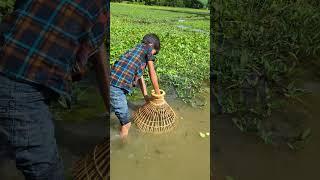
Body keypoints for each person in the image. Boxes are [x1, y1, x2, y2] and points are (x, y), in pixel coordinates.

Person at [0, 0, 109, 179]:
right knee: (48, 172)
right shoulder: (101, 7)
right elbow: (82, 63)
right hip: (19, 82)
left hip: (10, 62)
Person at [110, 33, 161, 139]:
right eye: (154, 53)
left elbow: (140, 77)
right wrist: (158, 94)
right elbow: (152, 74)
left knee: (112, 109)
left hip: (109, 82)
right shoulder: (148, 49)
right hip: (116, 88)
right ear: (151, 45)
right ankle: (122, 147)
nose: (152, 56)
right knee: (126, 124)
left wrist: (146, 96)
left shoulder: (134, 50)